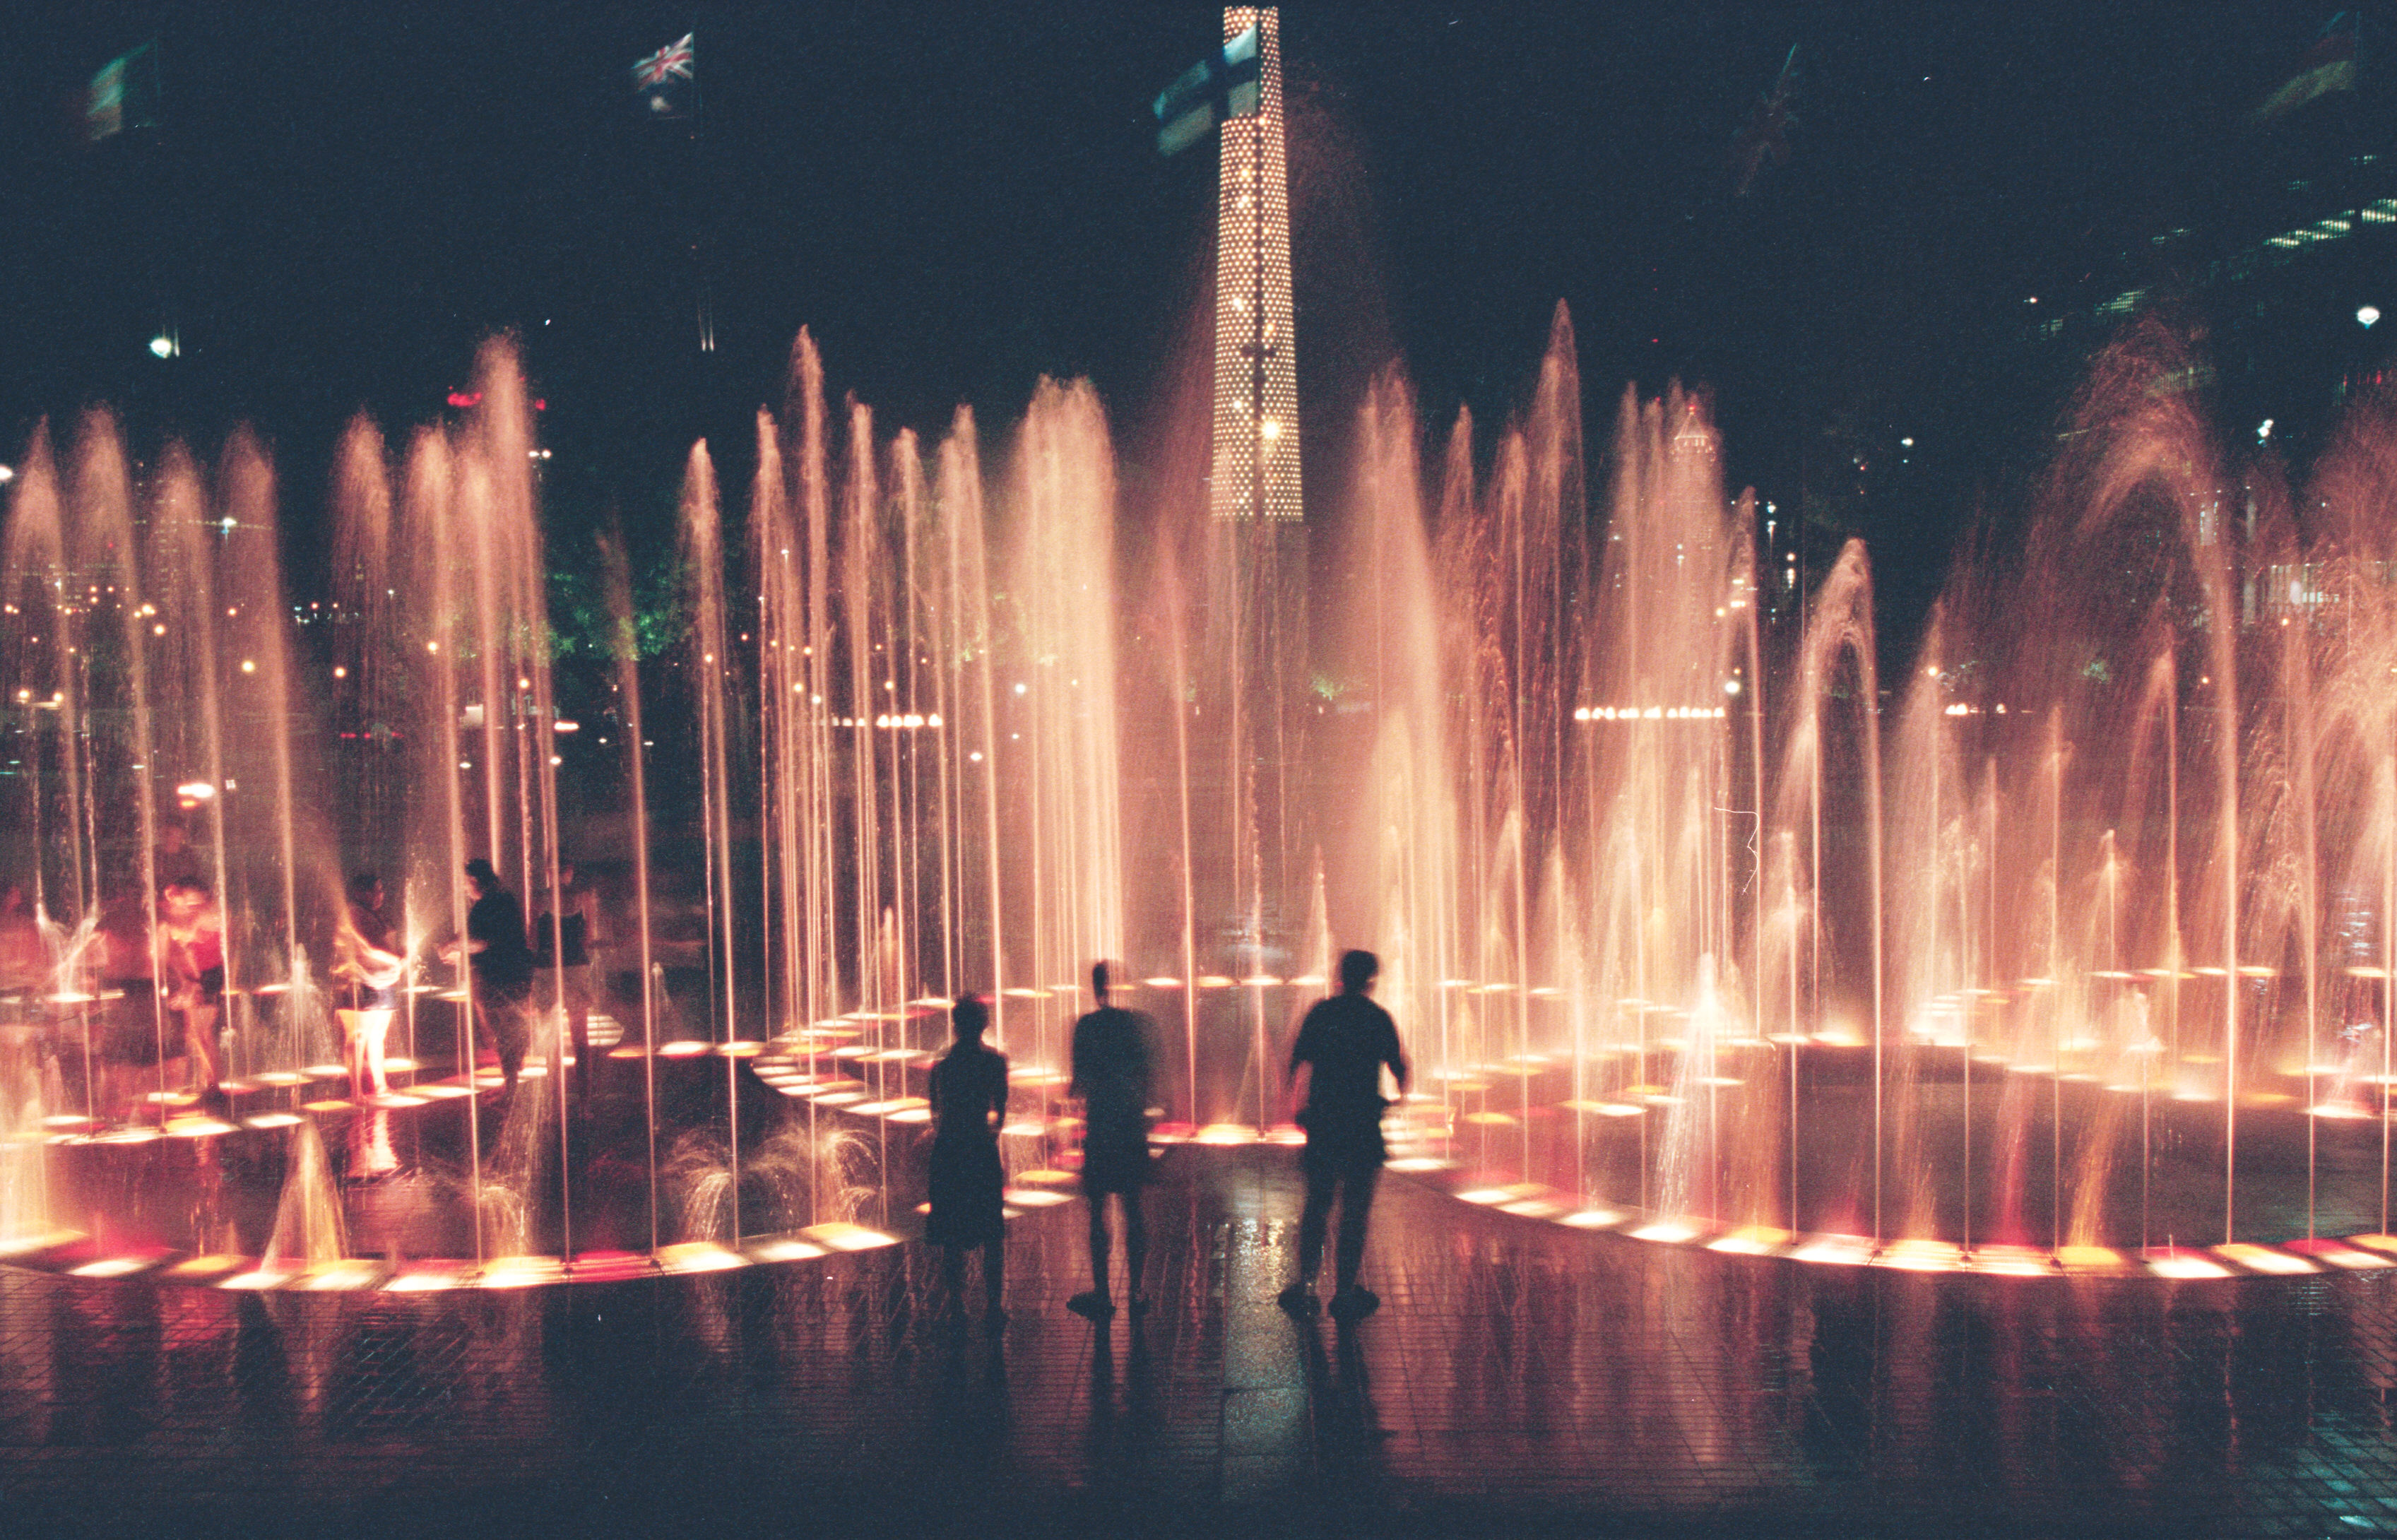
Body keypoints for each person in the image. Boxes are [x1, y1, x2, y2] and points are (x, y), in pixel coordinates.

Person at [1279, 949, 1409, 1320]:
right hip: (1363, 1124)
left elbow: (1296, 1062)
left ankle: (1306, 1286)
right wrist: (1399, 1099)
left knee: (1317, 1205)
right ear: (1371, 980)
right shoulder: (1376, 1018)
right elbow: (1399, 1067)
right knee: (1355, 1211)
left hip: (1324, 1121)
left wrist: (1295, 1106)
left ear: (1340, 975)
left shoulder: (1323, 1014)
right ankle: (1345, 1290)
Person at [1067, 960, 1154, 1320]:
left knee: (1097, 1209)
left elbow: (1078, 1083)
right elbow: (1150, 1074)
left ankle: (1103, 1293)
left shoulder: (1086, 1026)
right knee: (1133, 1207)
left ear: (1095, 987)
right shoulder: (1139, 1024)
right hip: (1131, 1122)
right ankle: (1136, 1290)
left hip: (1101, 1123)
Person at [926, 993, 1009, 1326]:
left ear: (956, 1025)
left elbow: (934, 1112)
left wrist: (949, 1132)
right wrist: (988, 1137)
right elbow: (1000, 1112)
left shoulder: (942, 1067)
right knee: (991, 1230)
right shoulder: (995, 1063)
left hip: (949, 1150)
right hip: (980, 1148)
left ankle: (957, 1305)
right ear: (984, 1025)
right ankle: (993, 1306)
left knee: (951, 1231)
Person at [441, 858, 533, 1094]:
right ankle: (511, 1080)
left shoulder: (489, 904)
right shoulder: (501, 899)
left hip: (499, 976)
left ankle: (511, 1085)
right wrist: (456, 945)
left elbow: (482, 942)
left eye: (465, 883)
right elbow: (478, 935)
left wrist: (455, 947)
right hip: (512, 973)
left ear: (474, 880)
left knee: (503, 1030)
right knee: (506, 1029)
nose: (463, 888)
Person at [332, 870, 406, 1098]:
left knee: (377, 1036)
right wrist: (398, 959)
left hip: (382, 983)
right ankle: (356, 1091)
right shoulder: (354, 913)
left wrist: (399, 957)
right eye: (376, 890)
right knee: (358, 1036)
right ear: (360, 892)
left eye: (382, 890)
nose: (381, 895)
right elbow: (368, 947)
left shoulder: (376, 914)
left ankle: (381, 1085)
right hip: (358, 983)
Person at [534, 860, 602, 1106]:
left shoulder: (538, 898)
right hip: (574, 967)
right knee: (580, 1040)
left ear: (548, 872)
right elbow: (589, 936)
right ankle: (585, 1102)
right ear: (570, 871)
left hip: (547, 969)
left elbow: (532, 937)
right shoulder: (584, 898)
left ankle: (553, 1102)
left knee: (550, 1039)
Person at [159, 876, 227, 1098]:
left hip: (204, 978)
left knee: (200, 1034)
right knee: (198, 1033)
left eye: (179, 895)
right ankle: (206, 1081)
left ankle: (214, 1086)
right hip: (206, 976)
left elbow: (186, 938)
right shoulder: (205, 911)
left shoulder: (203, 913)